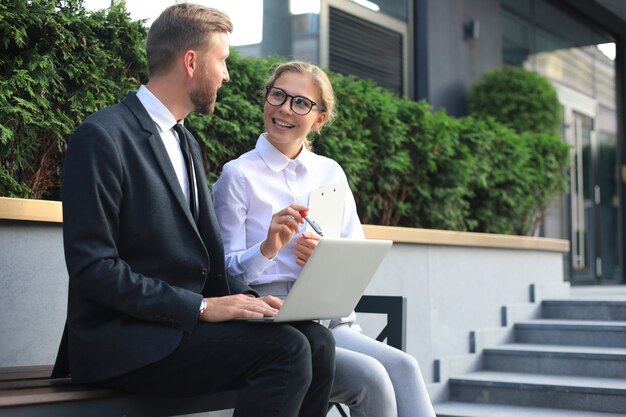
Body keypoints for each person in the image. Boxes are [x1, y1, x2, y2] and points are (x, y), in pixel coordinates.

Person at [51, 6, 335, 417]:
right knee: (287, 350)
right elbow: (93, 269)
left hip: (179, 328)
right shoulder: (102, 137)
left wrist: (242, 304)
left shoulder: (184, 142)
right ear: (191, 62)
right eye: (222, 61)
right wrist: (202, 308)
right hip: (123, 340)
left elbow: (201, 261)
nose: (226, 75)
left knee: (317, 341)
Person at [211, 61, 437, 417]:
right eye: (278, 95)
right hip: (273, 322)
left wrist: (326, 255)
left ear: (318, 119)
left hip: (329, 318)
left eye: (301, 102)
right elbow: (222, 276)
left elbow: (357, 255)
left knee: (405, 368)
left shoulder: (330, 172)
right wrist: (267, 248)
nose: (285, 108)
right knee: (373, 379)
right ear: (266, 100)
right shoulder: (238, 175)